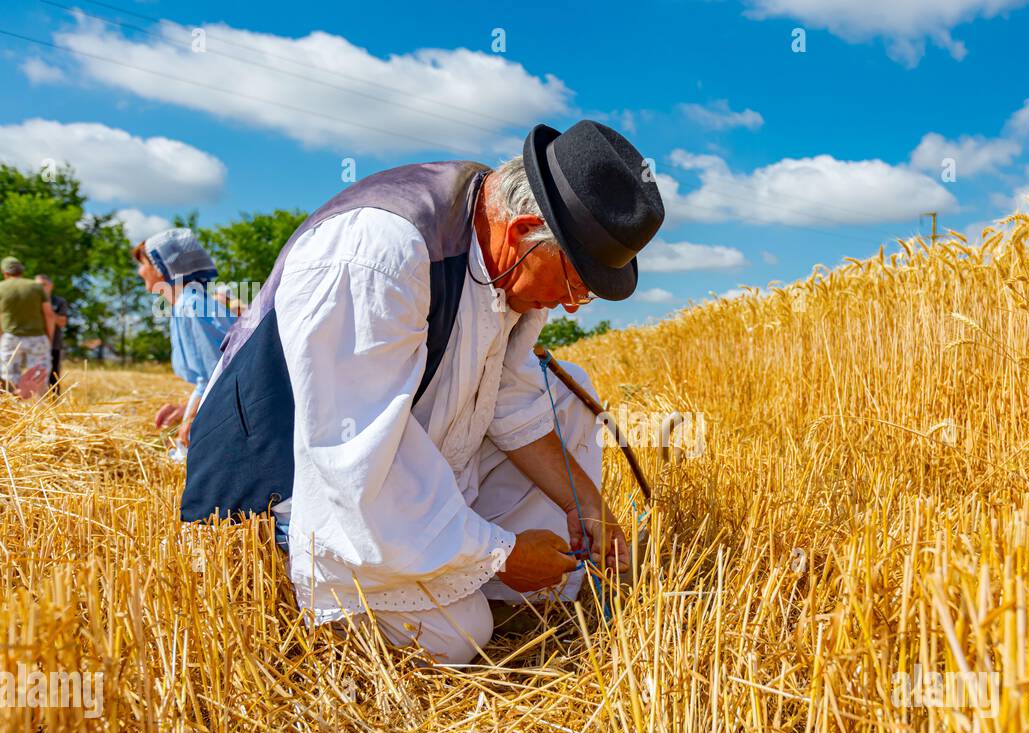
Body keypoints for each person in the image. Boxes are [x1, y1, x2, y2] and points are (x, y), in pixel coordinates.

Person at [182, 120, 664, 666]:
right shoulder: (379, 253)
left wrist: (589, 508)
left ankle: (473, 578)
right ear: (525, 227)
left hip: (385, 457)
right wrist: (501, 556)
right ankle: (308, 574)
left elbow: (512, 401)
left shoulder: (501, 247)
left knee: (567, 395)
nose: (573, 305)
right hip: (290, 482)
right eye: (576, 283)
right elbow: (356, 457)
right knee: (458, 636)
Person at [133, 229, 234, 448]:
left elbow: (216, 373)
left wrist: (192, 419)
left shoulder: (191, 306)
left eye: (143, 263)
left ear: (161, 268)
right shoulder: (190, 304)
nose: (140, 271)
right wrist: (185, 410)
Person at [0, 257, 58, 395]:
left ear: (5, 272)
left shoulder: (1, 287)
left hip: (10, 338)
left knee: (8, 376)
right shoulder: (36, 287)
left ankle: (11, 409)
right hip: (37, 337)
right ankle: (40, 411)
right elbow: (49, 315)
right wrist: (49, 337)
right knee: (39, 376)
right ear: (21, 271)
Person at [34, 275, 68, 395]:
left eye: (43, 285)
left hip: (54, 344)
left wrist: (48, 312)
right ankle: (35, 406)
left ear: (51, 286)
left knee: (53, 375)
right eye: (37, 285)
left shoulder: (58, 302)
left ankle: (54, 405)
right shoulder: (30, 302)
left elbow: (62, 322)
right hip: (34, 345)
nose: (40, 288)